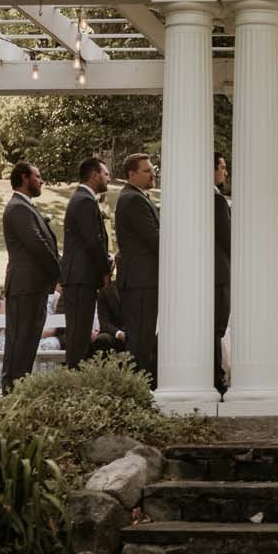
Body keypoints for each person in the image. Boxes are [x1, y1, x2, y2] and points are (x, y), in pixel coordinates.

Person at [1, 162, 60, 391]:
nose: (42, 180)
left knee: (27, 344)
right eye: (38, 176)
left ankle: (18, 392)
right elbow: (37, 245)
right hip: (24, 286)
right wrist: (59, 273)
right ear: (25, 178)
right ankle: (10, 393)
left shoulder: (27, 207)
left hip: (34, 286)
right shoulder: (18, 208)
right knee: (19, 344)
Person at [61, 156, 112, 369]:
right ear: (94, 175)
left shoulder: (83, 199)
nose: (109, 179)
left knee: (79, 333)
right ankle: (74, 380)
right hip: (81, 277)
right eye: (106, 174)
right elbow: (93, 241)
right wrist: (105, 268)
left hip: (81, 277)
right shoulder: (84, 200)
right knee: (79, 334)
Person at [115, 152, 161, 382]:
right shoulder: (133, 200)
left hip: (142, 280)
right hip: (140, 280)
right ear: (131, 175)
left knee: (143, 338)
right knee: (140, 339)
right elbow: (155, 240)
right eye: (147, 170)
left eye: (152, 169)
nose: (153, 173)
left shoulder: (139, 197)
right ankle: (138, 388)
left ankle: (140, 386)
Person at [213, 153, 232, 393]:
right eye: (222, 167)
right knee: (216, 329)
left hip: (213, 275)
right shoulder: (217, 201)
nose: (225, 173)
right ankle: (217, 380)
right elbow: (228, 240)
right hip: (219, 276)